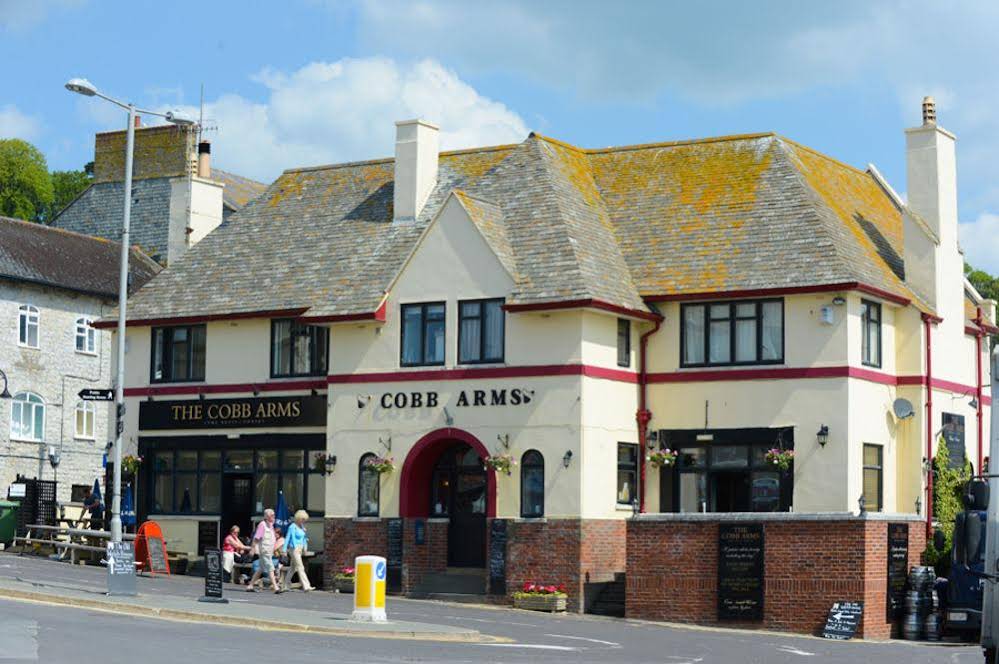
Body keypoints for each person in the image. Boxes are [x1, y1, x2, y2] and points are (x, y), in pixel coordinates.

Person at [247, 509, 282, 594]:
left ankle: (250, 585)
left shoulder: (271, 526)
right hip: (264, 550)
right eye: (271, 515)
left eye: (274, 515)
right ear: (266, 517)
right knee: (270, 567)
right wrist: (252, 548)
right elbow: (256, 538)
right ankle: (275, 587)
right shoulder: (262, 525)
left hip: (269, 551)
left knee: (261, 568)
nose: (273, 517)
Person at [282, 510, 314, 592]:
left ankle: (286, 585)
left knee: (292, 568)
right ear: (298, 518)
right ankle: (306, 586)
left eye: (305, 519)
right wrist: (284, 550)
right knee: (300, 567)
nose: (304, 520)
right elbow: (288, 538)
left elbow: (303, 538)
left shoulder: (302, 527)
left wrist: (305, 547)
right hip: (294, 549)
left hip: (300, 548)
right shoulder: (292, 526)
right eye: (302, 519)